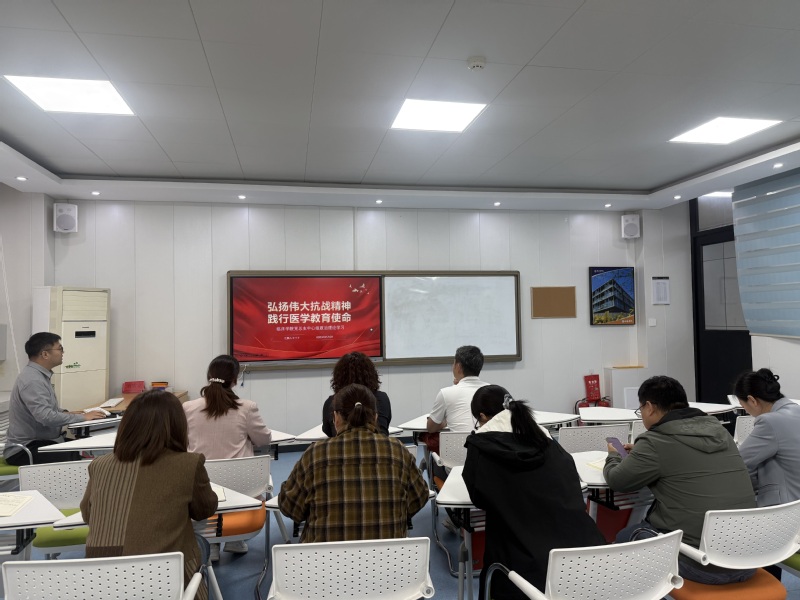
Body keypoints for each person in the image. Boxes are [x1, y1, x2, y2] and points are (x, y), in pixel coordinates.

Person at [604, 375, 756, 585]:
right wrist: (642, 452)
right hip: (750, 559)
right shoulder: (719, 431)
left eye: (640, 410)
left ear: (649, 407)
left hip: (704, 565)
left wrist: (613, 455)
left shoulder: (655, 440)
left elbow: (617, 480)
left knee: (625, 537)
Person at [463, 385, 605, 599]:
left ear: (482, 417)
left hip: (527, 571)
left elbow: (479, 499)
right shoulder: (546, 440)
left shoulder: (480, 446)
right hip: (587, 559)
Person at [80, 390, 218, 599]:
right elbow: (204, 510)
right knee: (200, 543)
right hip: (163, 580)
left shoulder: (99, 465)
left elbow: (87, 515)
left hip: (103, 583)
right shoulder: (188, 464)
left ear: (127, 425)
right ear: (177, 425)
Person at [279, 383, 429, 543]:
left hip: (325, 559)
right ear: (375, 417)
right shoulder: (397, 451)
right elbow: (419, 497)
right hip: (387, 558)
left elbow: (290, 507)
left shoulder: (315, 454)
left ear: (336, 418)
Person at [183, 354, 273, 560]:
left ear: (209, 377)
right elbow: (264, 439)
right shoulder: (247, 407)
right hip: (242, 488)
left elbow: (182, 442)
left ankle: (212, 543)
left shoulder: (188, 408)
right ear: (234, 379)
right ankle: (234, 539)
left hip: (201, 487)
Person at [4, 332, 106, 465]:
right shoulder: (33, 380)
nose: (63, 352)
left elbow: (46, 408)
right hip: (25, 450)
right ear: (45, 354)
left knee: (89, 446)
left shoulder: (38, 376)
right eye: (60, 348)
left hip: (41, 442)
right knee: (84, 457)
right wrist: (82, 417)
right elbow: (45, 417)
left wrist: (66, 413)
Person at [734, 368, 800, 507]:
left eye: (743, 406)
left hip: (785, 508)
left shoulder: (770, 422)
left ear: (752, 400)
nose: (746, 411)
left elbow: (740, 464)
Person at [421, 345, 489, 454]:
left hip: (456, 460)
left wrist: (446, 422)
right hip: (487, 457)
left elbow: (431, 428)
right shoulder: (493, 392)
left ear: (458, 366)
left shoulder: (446, 393)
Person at [321, 352, 391, 437]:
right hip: (380, 444)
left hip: (341, 445)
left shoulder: (331, 402)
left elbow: (327, 431)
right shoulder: (382, 399)